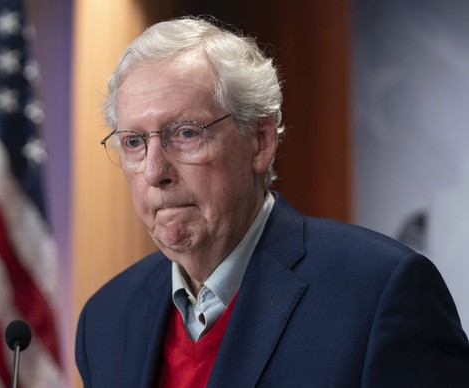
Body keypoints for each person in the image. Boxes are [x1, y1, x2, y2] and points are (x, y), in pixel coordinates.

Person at [75, 16, 469, 387]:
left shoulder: (379, 293)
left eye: (186, 134)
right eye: (133, 142)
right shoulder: (105, 319)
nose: (154, 171)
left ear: (261, 141)